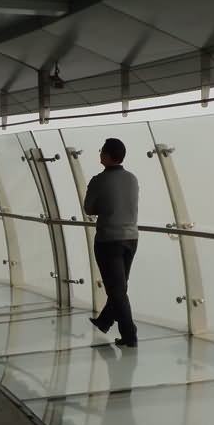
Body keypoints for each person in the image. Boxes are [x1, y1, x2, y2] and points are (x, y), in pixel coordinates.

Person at [84, 138, 139, 347]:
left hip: (109, 239)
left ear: (107, 156)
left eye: (101, 151)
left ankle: (129, 334)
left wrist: (104, 206)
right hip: (131, 238)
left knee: (116, 290)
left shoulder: (99, 180)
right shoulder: (132, 179)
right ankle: (105, 320)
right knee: (120, 286)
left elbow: (89, 208)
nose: (100, 154)